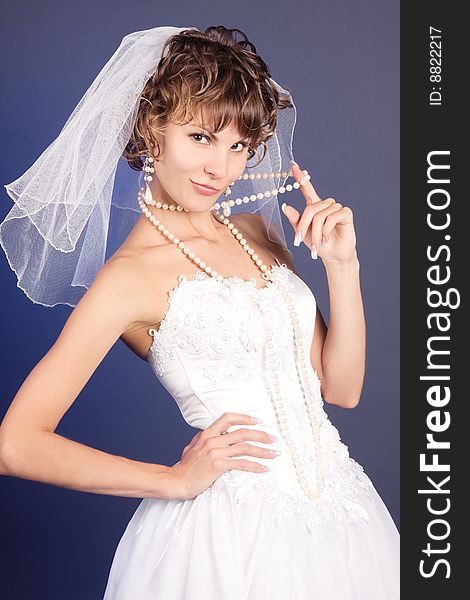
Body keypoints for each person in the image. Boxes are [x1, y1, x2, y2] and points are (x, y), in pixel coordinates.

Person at [0, 25, 399, 599]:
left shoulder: (256, 232)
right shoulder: (127, 279)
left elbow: (342, 389)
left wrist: (344, 264)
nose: (222, 167)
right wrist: (172, 480)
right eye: (201, 138)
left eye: (238, 146)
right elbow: (16, 443)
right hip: (231, 537)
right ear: (150, 129)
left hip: (344, 518)